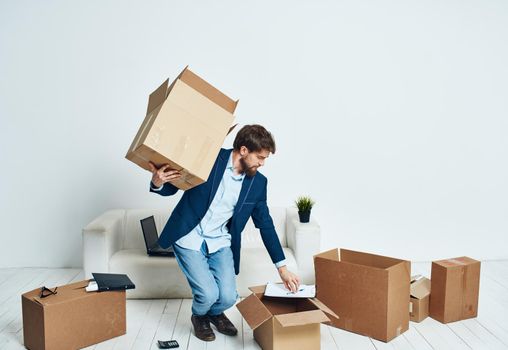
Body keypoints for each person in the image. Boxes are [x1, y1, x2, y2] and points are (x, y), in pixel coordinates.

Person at [148, 124, 300, 342]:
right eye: (260, 157)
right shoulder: (208, 159)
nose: (262, 163)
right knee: (208, 294)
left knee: (228, 297)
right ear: (244, 150)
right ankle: (199, 316)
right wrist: (157, 183)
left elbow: (265, 224)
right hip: (188, 236)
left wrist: (282, 269)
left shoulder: (258, 183)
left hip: (220, 241)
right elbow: (173, 185)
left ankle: (214, 312)